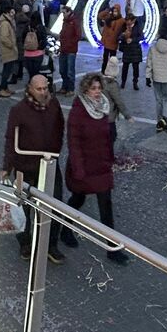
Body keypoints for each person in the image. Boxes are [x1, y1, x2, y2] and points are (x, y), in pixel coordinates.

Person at [63, 74, 129, 265]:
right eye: (93, 89)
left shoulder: (102, 107)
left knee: (106, 205)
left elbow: (107, 136)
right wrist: (78, 168)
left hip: (100, 165)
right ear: (85, 90)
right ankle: (65, 229)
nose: (97, 92)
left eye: (99, 88)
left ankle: (112, 248)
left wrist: (110, 157)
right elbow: (73, 142)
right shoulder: (78, 111)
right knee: (77, 199)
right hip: (84, 165)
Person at [2, 73, 66, 263]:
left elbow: (60, 128)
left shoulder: (53, 105)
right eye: (39, 89)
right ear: (30, 88)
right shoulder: (18, 110)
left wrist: (55, 151)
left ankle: (50, 245)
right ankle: (25, 242)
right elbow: (10, 139)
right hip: (25, 166)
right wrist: (7, 165)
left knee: (54, 206)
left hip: (49, 165)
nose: (43, 92)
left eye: (45, 88)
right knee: (25, 209)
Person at [147, 29, 167, 131]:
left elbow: (149, 64)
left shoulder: (153, 48)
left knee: (158, 99)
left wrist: (147, 76)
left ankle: (159, 121)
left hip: (156, 77)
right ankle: (165, 117)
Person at [0, 6, 20, 99]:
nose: (13, 14)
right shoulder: (5, 23)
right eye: (12, 12)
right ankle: (2, 88)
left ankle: (5, 88)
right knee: (7, 70)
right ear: (7, 13)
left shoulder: (8, 22)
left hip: (9, 49)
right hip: (8, 50)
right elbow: (4, 37)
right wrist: (12, 45)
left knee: (8, 69)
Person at [56, 4, 82, 95]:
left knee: (70, 70)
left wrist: (69, 43)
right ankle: (64, 86)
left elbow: (78, 35)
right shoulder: (65, 21)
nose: (62, 14)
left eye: (64, 12)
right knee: (62, 69)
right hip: (63, 48)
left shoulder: (74, 21)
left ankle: (70, 89)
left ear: (69, 12)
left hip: (71, 50)